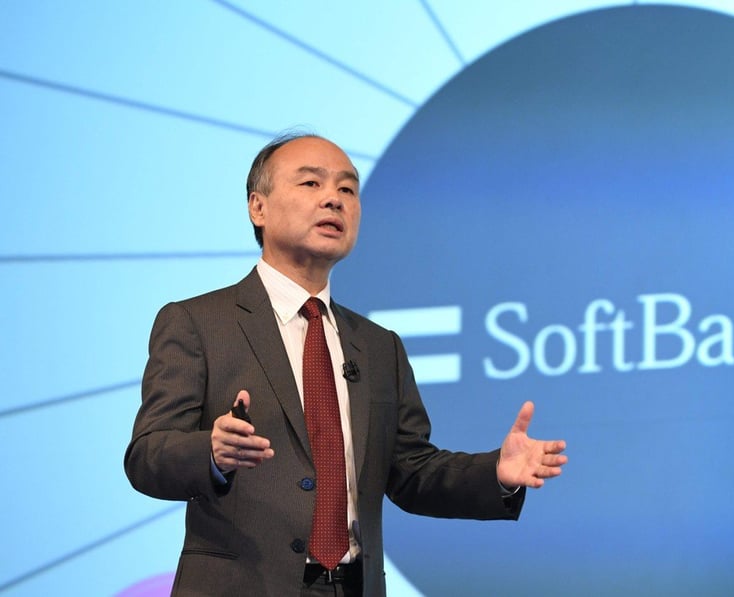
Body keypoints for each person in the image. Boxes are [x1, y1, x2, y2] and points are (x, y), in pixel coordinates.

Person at [124, 133, 568, 596]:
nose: (333, 200)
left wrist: (494, 472)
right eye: (311, 184)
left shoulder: (378, 347)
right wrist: (211, 453)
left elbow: (410, 470)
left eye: (347, 189)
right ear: (258, 207)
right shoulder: (198, 323)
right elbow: (146, 456)